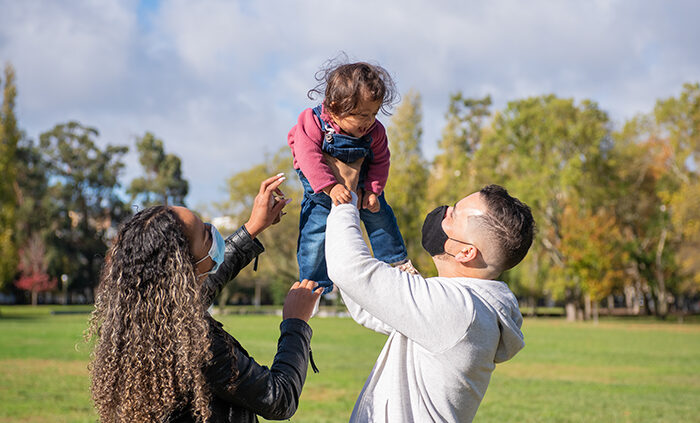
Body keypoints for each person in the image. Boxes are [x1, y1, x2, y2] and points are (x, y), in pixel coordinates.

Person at [86, 174, 323, 423]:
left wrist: (252, 228)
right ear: (182, 270)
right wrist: (296, 324)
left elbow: (203, 289)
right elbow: (279, 399)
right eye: (206, 235)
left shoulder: (143, 317)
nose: (214, 231)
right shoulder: (197, 342)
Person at [326, 179, 536, 422]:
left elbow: (349, 269)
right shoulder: (471, 307)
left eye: (453, 215)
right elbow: (366, 305)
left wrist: (344, 196)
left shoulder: (461, 310)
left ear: (466, 252)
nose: (444, 211)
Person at [287, 58, 418, 294]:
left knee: (381, 216)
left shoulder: (375, 131)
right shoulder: (312, 121)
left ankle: (395, 262)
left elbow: (380, 160)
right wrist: (329, 186)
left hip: (361, 185)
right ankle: (314, 286)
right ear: (336, 106)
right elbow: (308, 156)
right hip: (320, 192)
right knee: (314, 233)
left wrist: (373, 190)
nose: (369, 122)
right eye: (362, 115)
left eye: (374, 114)